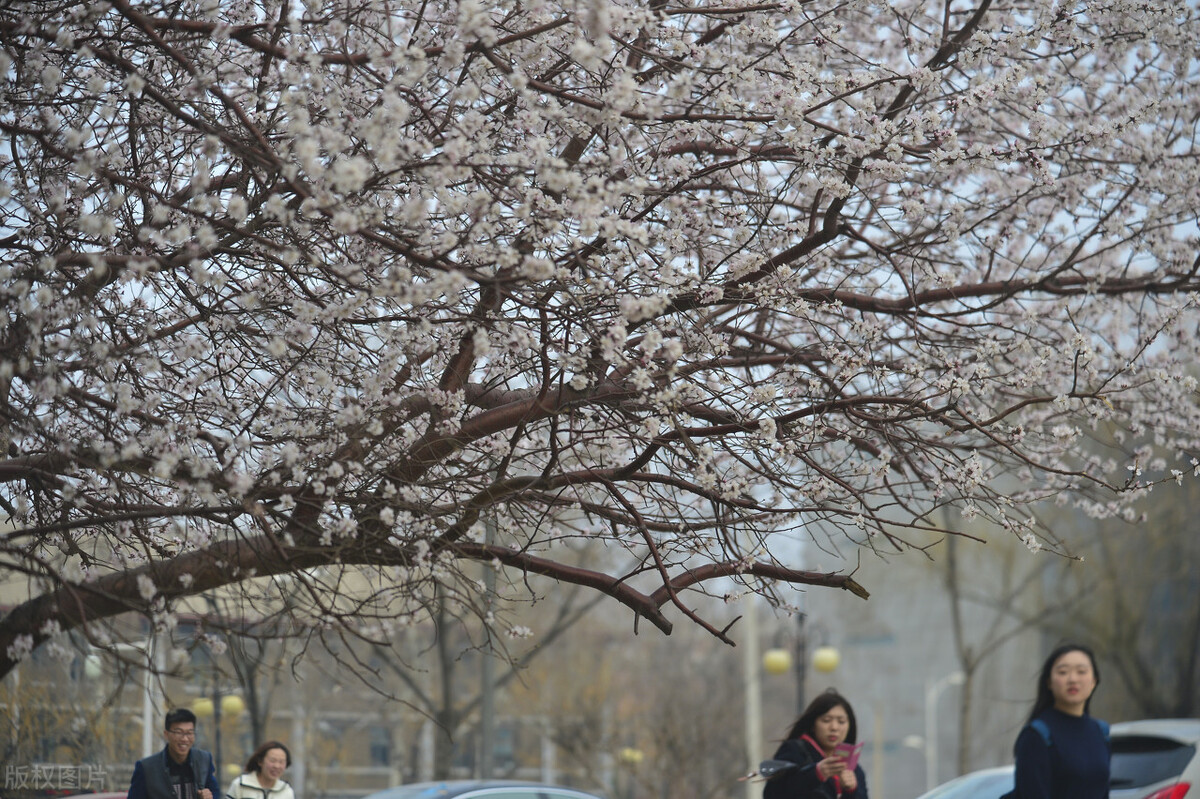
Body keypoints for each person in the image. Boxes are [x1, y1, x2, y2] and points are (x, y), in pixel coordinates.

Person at [1005, 643, 1110, 799]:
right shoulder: (1037, 735)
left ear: (1094, 681)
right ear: (1049, 682)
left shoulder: (1101, 732)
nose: (1073, 679)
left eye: (1081, 671)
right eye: (1063, 672)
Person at [763, 689, 868, 799]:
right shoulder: (794, 751)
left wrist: (851, 791)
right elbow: (772, 793)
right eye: (826, 720)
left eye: (841, 722)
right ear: (813, 725)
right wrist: (816, 774)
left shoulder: (854, 770)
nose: (834, 727)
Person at [128, 708, 219, 799]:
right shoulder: (146, 768)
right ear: (166, 734)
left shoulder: (204, 760)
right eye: (178, 732)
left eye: (189, 733)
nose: (185, 739)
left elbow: (214, 793)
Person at [226, 741, 295, 799]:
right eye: (272, 760)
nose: (277, 766)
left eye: (281, 762)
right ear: (260, 761)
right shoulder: (240, 785)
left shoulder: (286, 791)